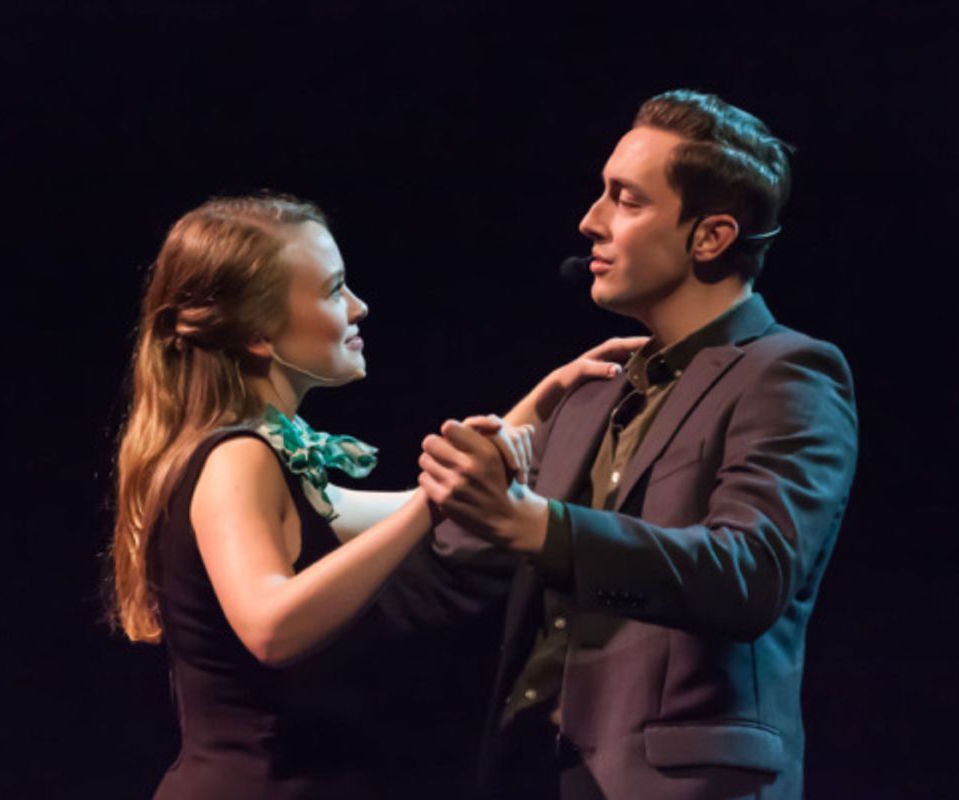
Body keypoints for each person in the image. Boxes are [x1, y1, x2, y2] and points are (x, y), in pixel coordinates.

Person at [109, 193, 644, 799]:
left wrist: (546, 400)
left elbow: (413, 503)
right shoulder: (236, 457)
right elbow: (271, 627)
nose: (359, 306)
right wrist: (430, 505)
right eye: (333, 290)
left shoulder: (264, 455)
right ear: (258, 334)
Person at [419, 90, 859, 799]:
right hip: (535, 773)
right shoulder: (590, 388)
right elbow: (463, 563)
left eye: (625, 200)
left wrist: (540, 524)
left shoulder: (787, 371)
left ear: (710, 237)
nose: (590, 221)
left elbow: (751, 575)